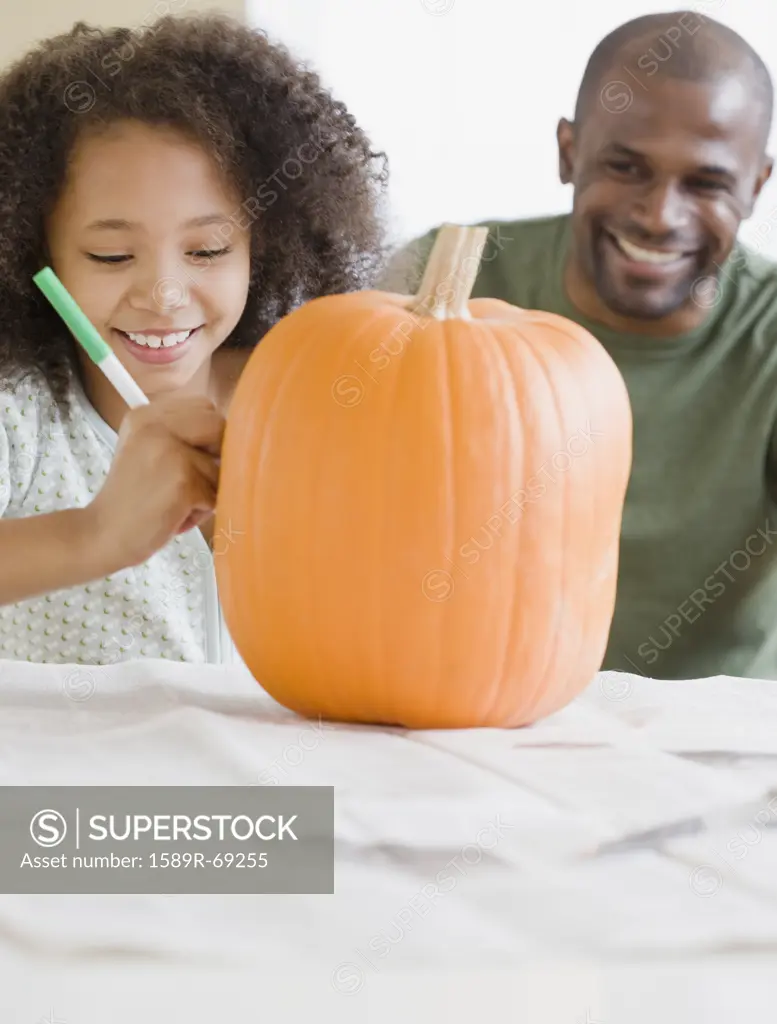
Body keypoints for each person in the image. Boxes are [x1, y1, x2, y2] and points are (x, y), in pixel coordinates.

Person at [385, 11, 777, 682]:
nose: (660, 216)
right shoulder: (441, 281)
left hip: (707, 748)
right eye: (625, 167)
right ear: (569, 153)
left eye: (706, 183)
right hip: (459, 718)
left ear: (756, 185)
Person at [0, 13, 387, 666]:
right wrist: (95, 534)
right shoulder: (22, 415)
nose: (163, 295)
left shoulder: (322, 398)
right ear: (37, 258)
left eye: (206, 250)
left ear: (263, 250)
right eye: (111, 255)